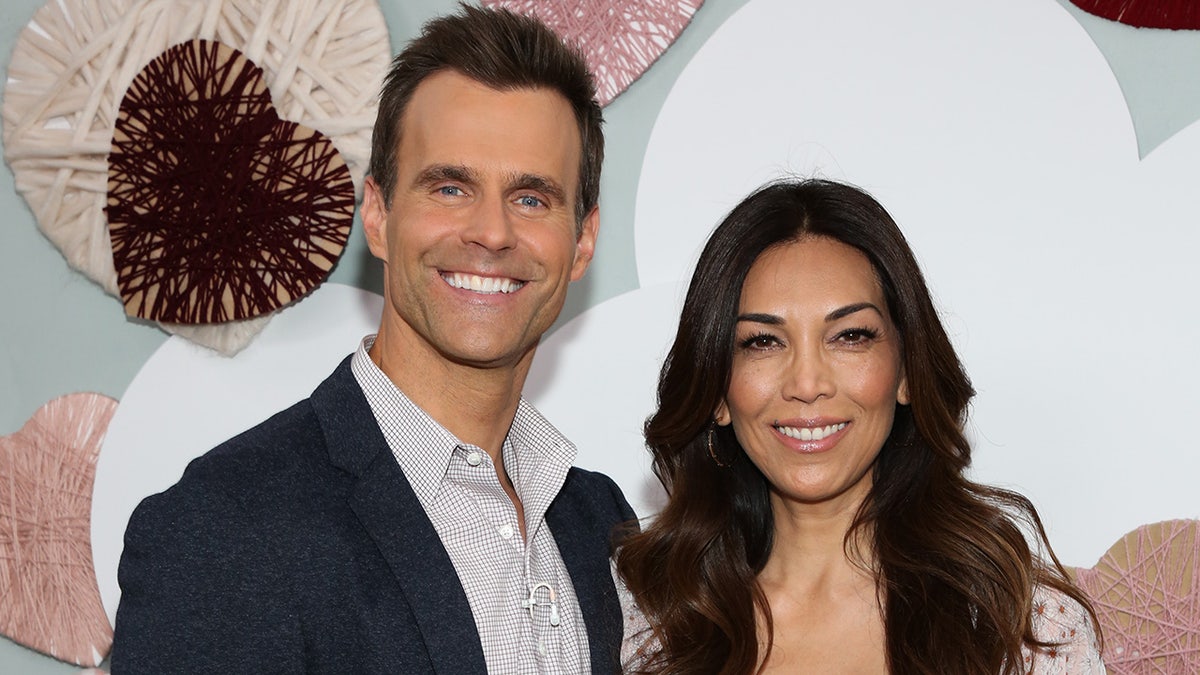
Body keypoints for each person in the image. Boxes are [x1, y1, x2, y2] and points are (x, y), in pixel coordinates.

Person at [111, 6, 634, 673]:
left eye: (532, 198)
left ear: (582, 237)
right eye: (450, 186)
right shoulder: (227, 527)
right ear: (379, 215)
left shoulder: (599, 522)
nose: (493, 232)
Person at [615, 179, 1103, 674]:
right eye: (762, 342)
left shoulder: (1020, 629)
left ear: (906, 372)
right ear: (717, 392)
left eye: (850, 336)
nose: (807, 383)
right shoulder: (654, 623)